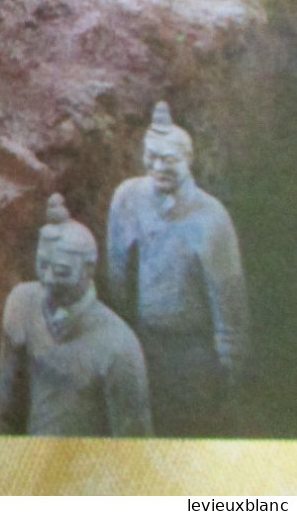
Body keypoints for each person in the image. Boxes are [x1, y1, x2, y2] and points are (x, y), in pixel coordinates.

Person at [106, 102, 248, 436]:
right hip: (142, 345)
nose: (158, 167)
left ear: (188, 160)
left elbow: (228, 300)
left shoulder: (211, 219)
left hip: (192, 353)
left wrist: (232, 366)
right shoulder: (127, 198)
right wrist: (122, 341)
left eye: (169, 160)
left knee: (190, 432)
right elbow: (116, 277)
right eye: (151, 157)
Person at [0, 195, 151, 437]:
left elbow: (134, 442)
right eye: (42, 264)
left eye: (60, 271)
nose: (47, 279)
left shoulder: (119, 346)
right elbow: (8, 408)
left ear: (89, 268)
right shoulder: (21, 303)